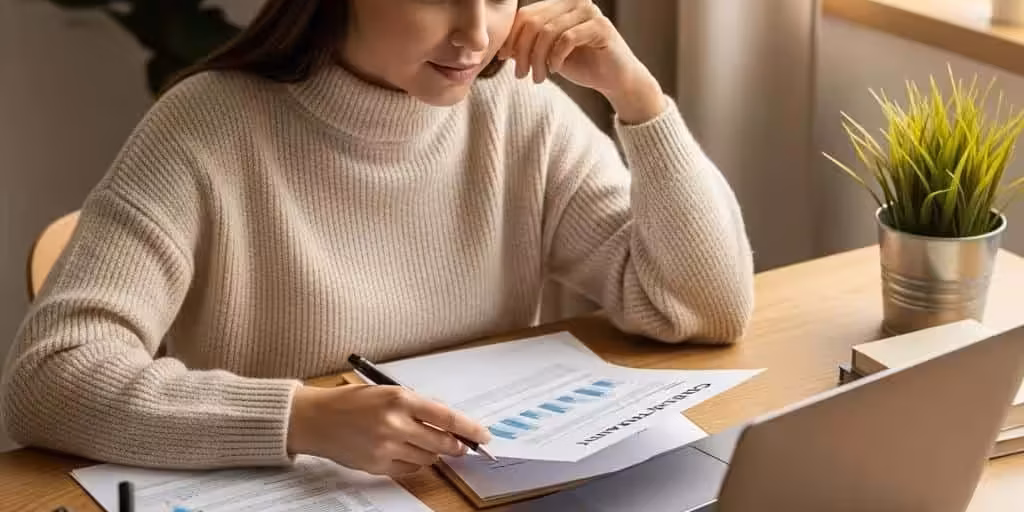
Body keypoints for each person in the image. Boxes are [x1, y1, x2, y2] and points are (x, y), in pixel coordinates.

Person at [0, 0, 754, 477]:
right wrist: (300, 417)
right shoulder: (206, 126)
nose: (475, 32)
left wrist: (639, 99)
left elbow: (701, 307)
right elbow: (49, 379)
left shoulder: (521, 115)